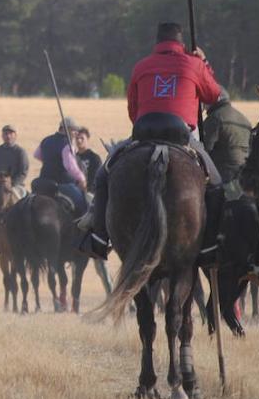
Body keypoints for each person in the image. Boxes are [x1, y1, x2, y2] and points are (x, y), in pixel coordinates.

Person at [88, 22, 225, 260]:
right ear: (181, 43)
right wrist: (204, 64)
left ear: (157, 42)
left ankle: (100, 237)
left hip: (144, 131)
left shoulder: (141, 65)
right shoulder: (194, 64)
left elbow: (133, 108)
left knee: (104, 175)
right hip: (180, 134)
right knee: (216, 184)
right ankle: (209, 245)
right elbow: (213, 95)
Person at [199, 90, 252, 199]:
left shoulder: (215, 118)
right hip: (243, 172)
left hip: (223, 174)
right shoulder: (243, 118)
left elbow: (203, 150)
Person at [33, 117, 89, 217]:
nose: (76, 133)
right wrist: (82, 178)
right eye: (74, 130)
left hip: (43, 180)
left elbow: (37, 155)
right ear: (66, 129)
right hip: (62, 183)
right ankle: (83, 225)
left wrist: (51, 162)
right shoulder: (67, 144)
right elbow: (70, 166)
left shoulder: (46, 140)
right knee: (83, 203)